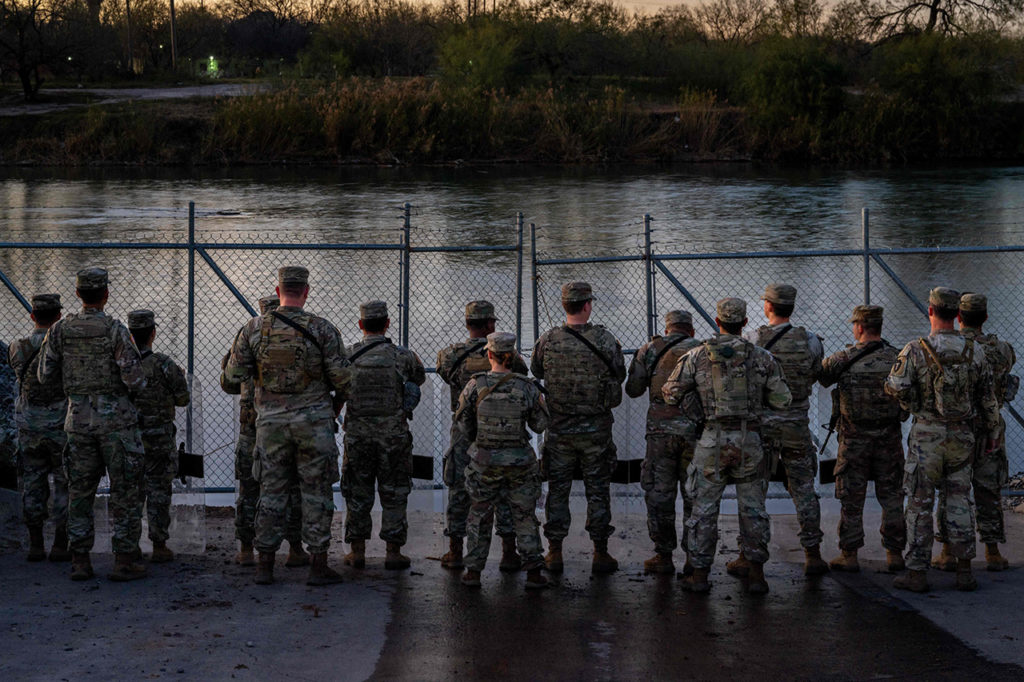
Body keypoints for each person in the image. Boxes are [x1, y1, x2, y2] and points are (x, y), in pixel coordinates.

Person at [225, 266, 351, 586]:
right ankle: (318, 565)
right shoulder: (324, 330)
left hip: (271, 427)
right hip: (314, 425)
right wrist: (332, 406)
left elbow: (230, 380)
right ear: (306, 291)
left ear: (277, 289)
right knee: (316, 492)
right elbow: (344, 379)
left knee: (270, 491)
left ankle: (264, 564)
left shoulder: (253, 329)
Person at [663, 298, 791, 594]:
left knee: (704, 509)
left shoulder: (697, 356)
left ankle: (700, 575)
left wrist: (697, 405)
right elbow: (783, 400)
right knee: (753, 509)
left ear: (717, 322)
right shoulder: (762, 357)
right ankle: (756, 573)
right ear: (745, 323)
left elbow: (670, 394)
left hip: (712, 440)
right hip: (750, 441)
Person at [884, 287, 1000, 593]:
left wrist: (912, 404)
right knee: (960, 500)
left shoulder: (916, 349)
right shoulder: (975, 351)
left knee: (920, 503)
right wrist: (991, 433)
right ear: (958, 315)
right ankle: (964, 571)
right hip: (963, 435)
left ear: (931, 311)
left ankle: (917, 573)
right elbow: (987, 399)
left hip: (926, 436)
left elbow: (895, 387)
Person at [38, 267, 148, 582]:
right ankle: (124, 560)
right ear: (106, 294)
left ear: (77, 294)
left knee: (79, 491)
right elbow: (135, 380)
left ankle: (80, 561)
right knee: (125, 491)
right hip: (116, 423)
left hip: (77, 420)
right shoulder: (115, 330)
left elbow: (45, 376)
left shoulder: (59, 330)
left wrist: (75, 390)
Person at [531, 281, 626, 574]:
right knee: (598, 489)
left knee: (558, 489)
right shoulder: (605, 339)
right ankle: (600, 552)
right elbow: (619, 372)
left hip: (559, 429)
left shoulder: (548, 340)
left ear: (564, 306)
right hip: (596, 431)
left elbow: (536, 370)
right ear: (587, 305)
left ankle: (554, 552)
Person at [436, 300, 528, 571]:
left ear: (467, 324)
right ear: (490, 325)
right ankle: (509, 553)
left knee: (459, 488)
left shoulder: (449, 355)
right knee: (504, 489)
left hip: (464, 431)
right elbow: (519, 376)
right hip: (500, 429)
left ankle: (455, 551)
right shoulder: (510, 356)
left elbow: (444, 375)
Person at [220, 295, 308, 569]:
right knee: (293, 488)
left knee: (249, 489)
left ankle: (247, 550)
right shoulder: (302, 336)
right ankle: (295, 549)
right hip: (288, 427)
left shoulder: (247, 337)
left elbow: (229, 381)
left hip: (252, 428)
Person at [456, 332, 550, 589]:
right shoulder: (526, 386)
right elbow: (540, 425)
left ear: (489, 355)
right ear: (515, 357)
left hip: (484, 462)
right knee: (524, 515)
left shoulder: (474, 385)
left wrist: (483, 440)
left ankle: (473, 572)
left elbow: (464, 427)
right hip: (519, 463)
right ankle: (532, 571)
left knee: (479, 515)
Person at [818, 305, 907, 573]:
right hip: (888, 439)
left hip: (853, 440)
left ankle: (849, 554)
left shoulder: (844, 358)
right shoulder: (898, 358)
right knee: (892, 496)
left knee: (851, 498)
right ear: (879, 327)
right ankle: (894, 554)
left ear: (858, 327)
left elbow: (821, 376)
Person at [746, 283, 827, 577]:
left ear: (768, 306)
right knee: (804, 489)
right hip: (796, 425)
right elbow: (817, 374)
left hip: (763, 425)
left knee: (755, 492)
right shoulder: (810, 340)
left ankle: (752, 559)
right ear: (791, 307)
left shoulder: (753, 339)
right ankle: (813, 554)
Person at [933, 293, 1017, 572]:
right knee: (989, 489)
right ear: (986, 317)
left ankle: (946, 550)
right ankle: (992, 551)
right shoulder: (1002, 349)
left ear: (958, 317)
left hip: (959, 426)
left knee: (952, 489)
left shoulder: (955, 347)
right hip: (990, 429)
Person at [340, 300, 425, 570]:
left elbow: (338, 385)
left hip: (358, 435)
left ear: (361, 325)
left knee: (357, 492)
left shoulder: (348, 355)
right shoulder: (402, 356)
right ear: (387, 323)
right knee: (395, 491)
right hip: (393, 436)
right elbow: (418, 379)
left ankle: (357, 552)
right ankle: (392, 552)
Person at [625, 309, 703, 575]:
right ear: (690, 330)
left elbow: (633, 390)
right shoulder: (703, 349)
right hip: (696, 433)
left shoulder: (650, 349)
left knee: (659, 494)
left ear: (668, 328)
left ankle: (664, 555)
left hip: (660, 434)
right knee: (695, 496)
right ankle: (694, 558)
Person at [8, 294, 69, 562]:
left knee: (32, 484)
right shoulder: (66, 349)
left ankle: (35, 544)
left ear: (32, 316)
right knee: (65, 483)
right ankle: (59, 544)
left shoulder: (17, 347)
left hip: (30, 426)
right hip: (61, 427)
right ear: (59, 317)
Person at [126, 309, 190, 564]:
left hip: (129, 437)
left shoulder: (122, 365)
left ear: (130, 336)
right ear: (153, 333)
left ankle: (129, 545)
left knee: (130, 490)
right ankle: (160, 544)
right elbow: (183, 399)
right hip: (160, 438)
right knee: (159, 489)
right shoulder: (164, 364)